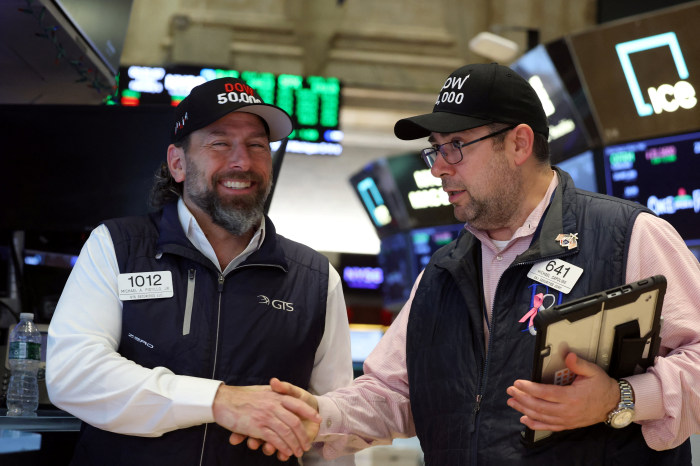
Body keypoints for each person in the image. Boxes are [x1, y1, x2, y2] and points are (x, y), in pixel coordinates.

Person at [251, 63, 700, 465]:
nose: (438, 169)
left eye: (457, 146)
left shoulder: (627, 235)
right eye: (435, 149)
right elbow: (394, 392)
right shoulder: (441, 274)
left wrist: (620, 397)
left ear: (519, 143)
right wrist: (321, 414)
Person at [46, 77, 355, 465]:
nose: (242, 161)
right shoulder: (119, 246)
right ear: (178, 163)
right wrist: (217, 400)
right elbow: (73, 374)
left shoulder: (315, 278)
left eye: (257, 145)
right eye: (220, 143)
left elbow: (327, 431)